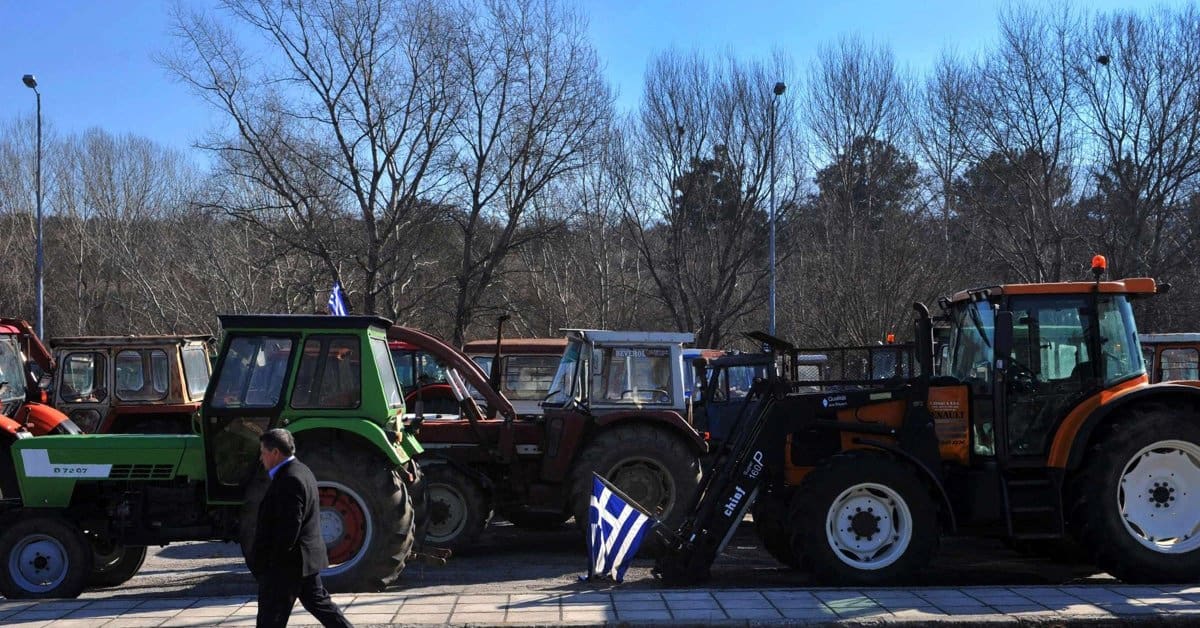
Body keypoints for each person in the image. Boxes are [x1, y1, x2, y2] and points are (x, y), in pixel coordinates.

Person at [252, 429, 352, 628]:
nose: (261, 457)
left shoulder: (290, 479)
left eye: (263, 452)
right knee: (320, 605)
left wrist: (273, 562)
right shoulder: (302, 470)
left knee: (271, 617)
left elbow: (289, 526)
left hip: (289, 563)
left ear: (275, 453)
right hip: (302, 559)